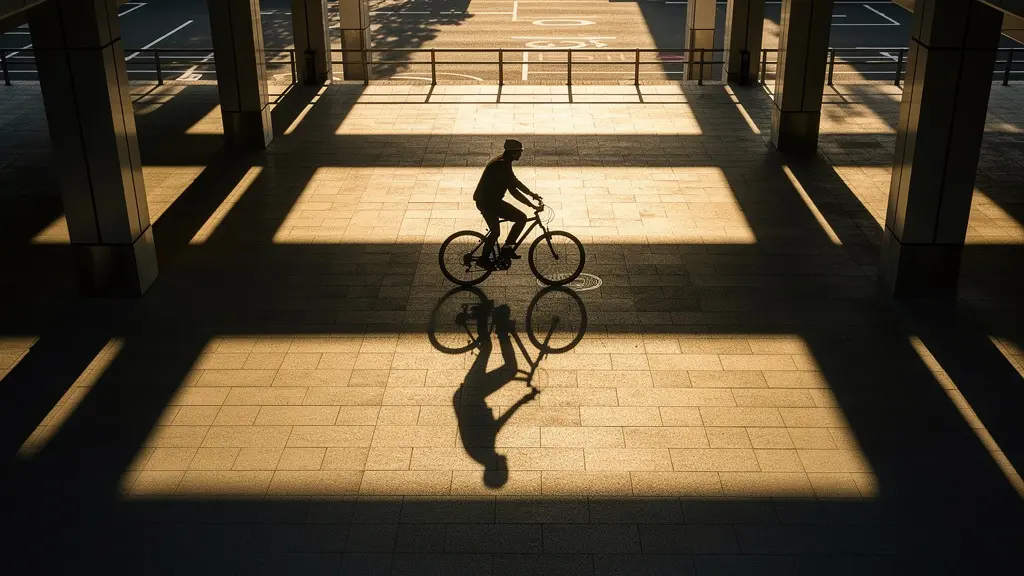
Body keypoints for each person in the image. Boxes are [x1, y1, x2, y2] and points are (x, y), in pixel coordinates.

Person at [474, 139, 542, 267]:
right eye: (519, 152)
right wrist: (531, 204)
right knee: (508, 225)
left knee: (517, 219)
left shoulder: (504, 162)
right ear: (512, 152)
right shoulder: (501, 165)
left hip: (491, 201)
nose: (520, 155)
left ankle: (506, 248)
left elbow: (514, 183)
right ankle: (486, 258)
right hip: (487, 202)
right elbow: (514, 191)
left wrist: (531, 195)